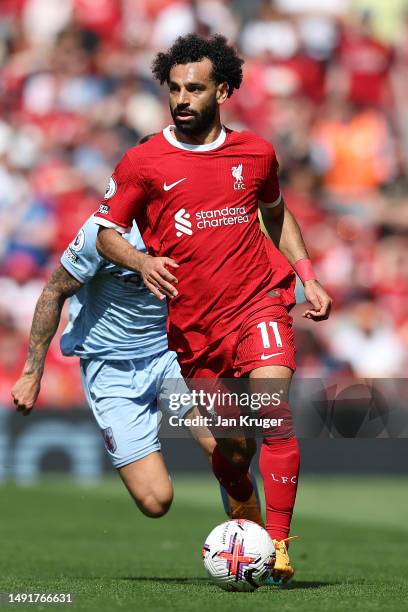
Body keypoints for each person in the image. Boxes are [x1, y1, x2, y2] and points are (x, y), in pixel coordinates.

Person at [94, 34, 333, 583]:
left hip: (259, 304)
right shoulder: (143, 161)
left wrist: (307, 277)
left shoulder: (255, 153)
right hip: (195, 328)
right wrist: (142, 261)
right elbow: (106, 233)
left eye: (194, 88)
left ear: (222, 90)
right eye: (174, 88)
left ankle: (277, 547)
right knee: (232, 446)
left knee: (273, 417)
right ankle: (240, 493)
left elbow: (276, 212)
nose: (182, 98)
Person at [11, 149, 221, 519]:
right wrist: (32, 373)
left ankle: (259, 546)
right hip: (112, 366)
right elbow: (54, 290)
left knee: (225, 449)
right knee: (156, 501)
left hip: (172, 354)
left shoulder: (195, 226)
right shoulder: (100, 233)